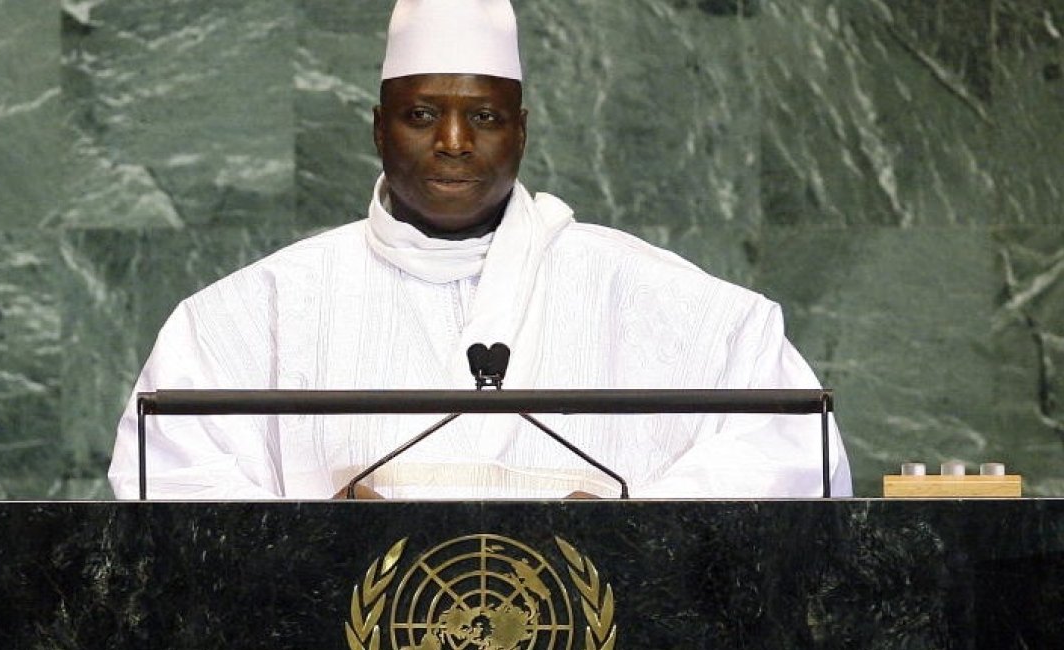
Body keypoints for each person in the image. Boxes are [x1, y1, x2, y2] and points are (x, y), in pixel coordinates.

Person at [107, 0, 852, 500]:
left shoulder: (666, 300)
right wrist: (316, 539)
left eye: (484, 116)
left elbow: (797, 456)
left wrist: (626, 533)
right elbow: (164, 484)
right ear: (378, 128)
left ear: (521, 131)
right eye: (423, 113)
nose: (454, 143)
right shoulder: (252, 314)